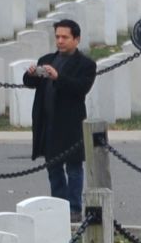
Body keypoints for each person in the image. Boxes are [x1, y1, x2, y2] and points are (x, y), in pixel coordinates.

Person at [21, 19, 97, 222]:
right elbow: (30, 83)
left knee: (73, 167)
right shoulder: (47, 59)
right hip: (48, 123)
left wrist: (58, 78)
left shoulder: (86, 64)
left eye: (65, 37)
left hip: (70, 124)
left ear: (76, 39)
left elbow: (81, 88)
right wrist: (31, 74)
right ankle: (58, 205)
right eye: (57, 37)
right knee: (53, 168)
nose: (60, 41)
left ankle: (73, 209)